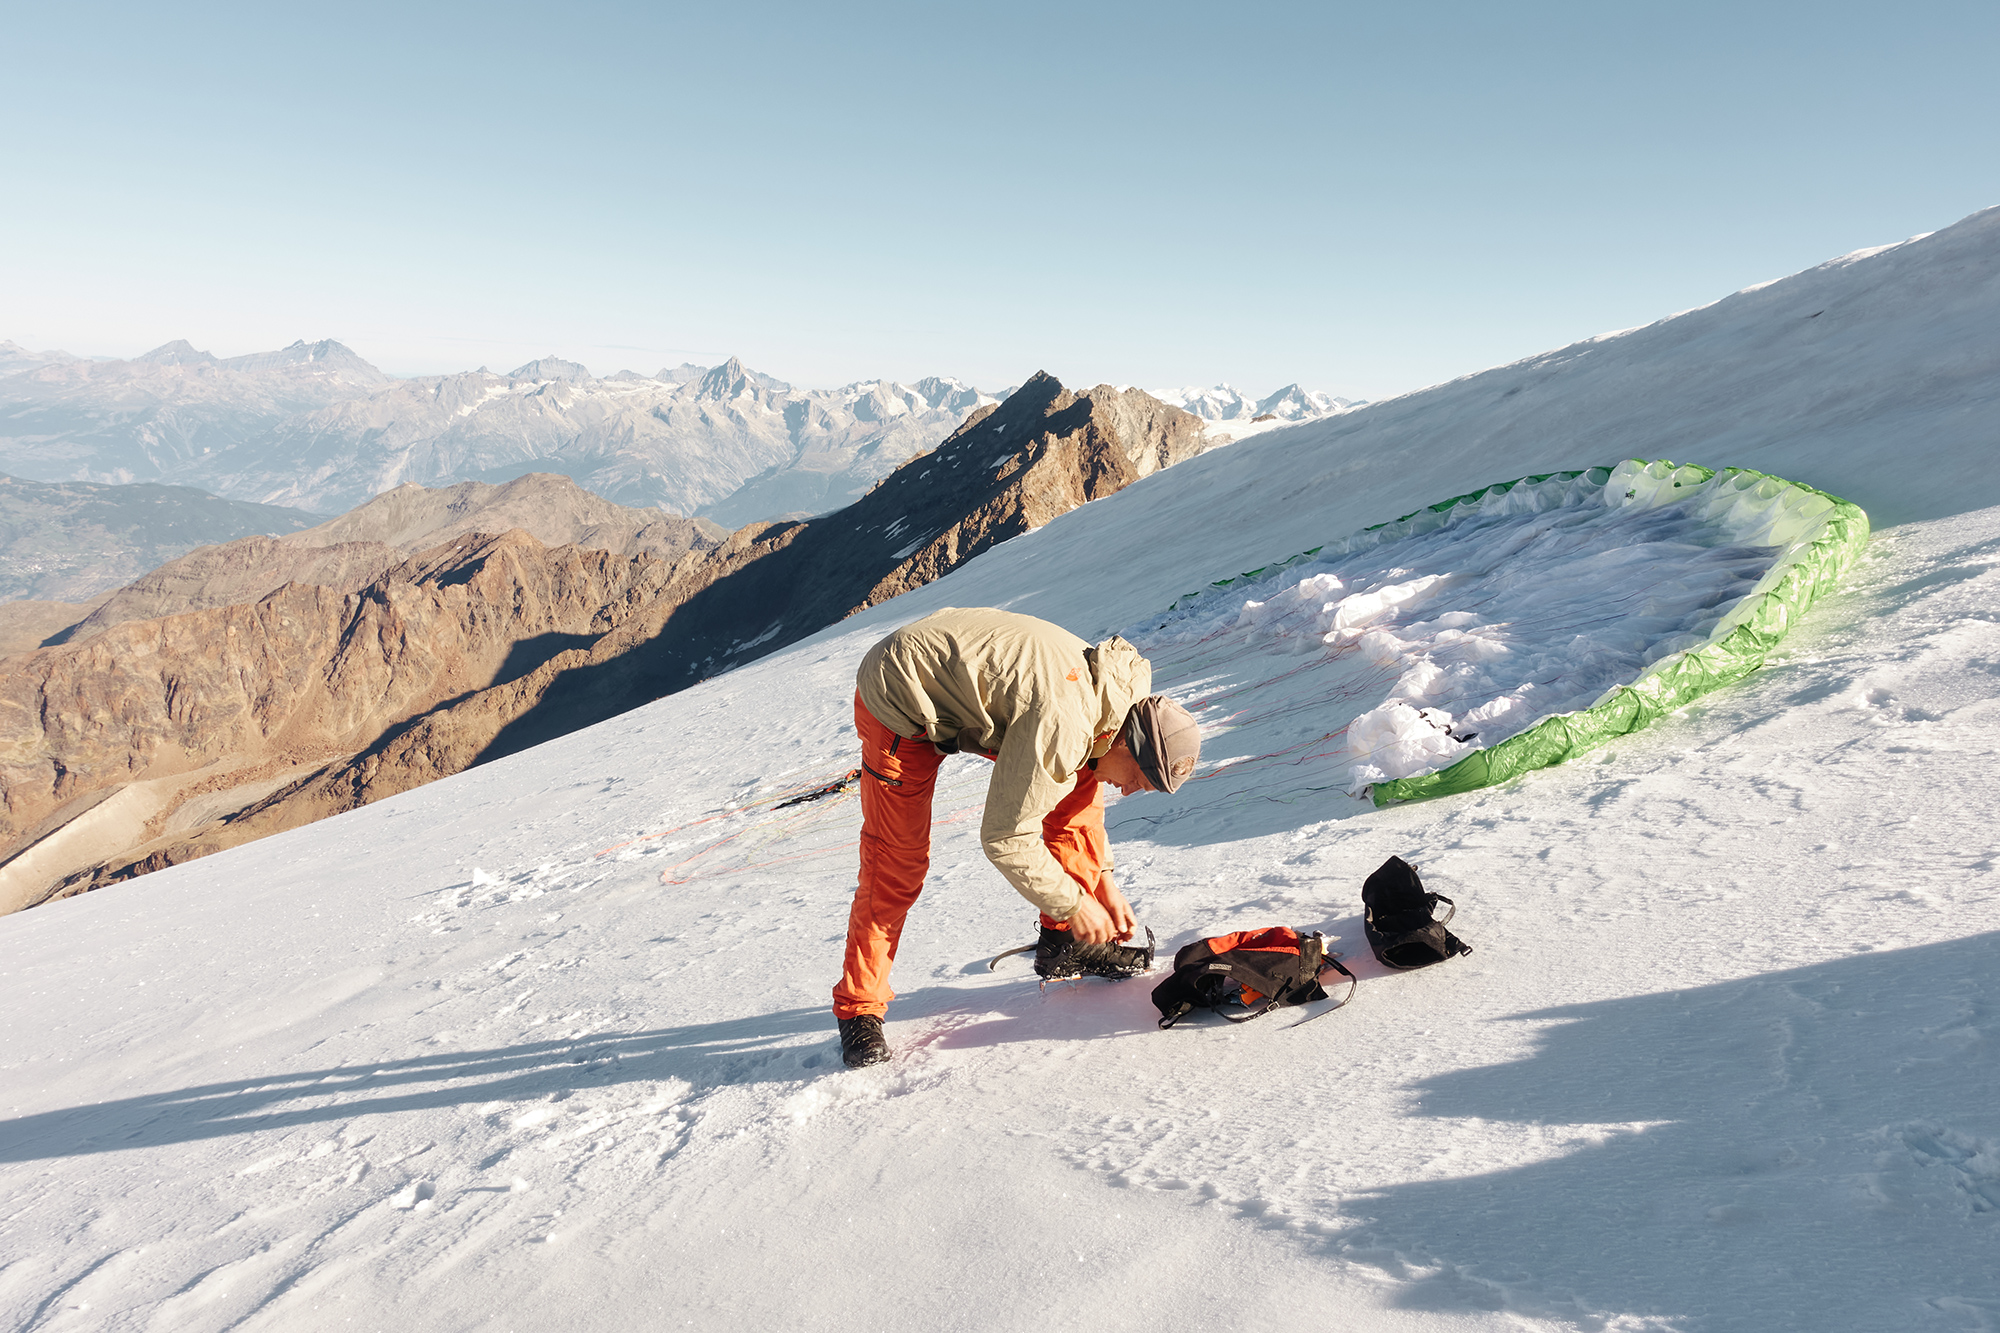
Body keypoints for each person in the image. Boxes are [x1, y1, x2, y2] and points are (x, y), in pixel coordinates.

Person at [834, 606, 1201, 1068]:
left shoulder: (1118, 705)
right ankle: (860, 1007)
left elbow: (1081, 808)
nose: (1127, 791)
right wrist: (1076, 904)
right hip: (900, 695)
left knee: (1079, 792)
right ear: (1129, 745)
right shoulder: (1065, 725)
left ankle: (1066, 944)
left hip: (973, 688)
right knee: (896, 863)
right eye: (1138, 782)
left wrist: (1103, 882)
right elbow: (1006, 837)